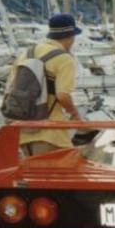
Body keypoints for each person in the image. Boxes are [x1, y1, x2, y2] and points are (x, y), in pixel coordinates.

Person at [15, 13, 82, 156]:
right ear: (71, 37)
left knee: (33, 175)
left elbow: (11, 88)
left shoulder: (26, 54)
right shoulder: (64, 58)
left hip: (23, 129)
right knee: (60, 173)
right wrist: (75, 115)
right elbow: (62, 95)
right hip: (50, 131)